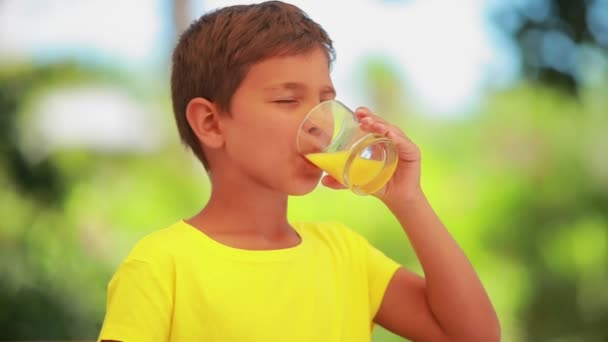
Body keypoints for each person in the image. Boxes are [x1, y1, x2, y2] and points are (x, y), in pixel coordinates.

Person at [97, 1, 500, 341]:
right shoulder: (160, 266)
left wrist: (408, 199)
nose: (320, 123)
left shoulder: (346, 253)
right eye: (288, 100)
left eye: (326, 100)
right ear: (212, 123)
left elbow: (474, 336)